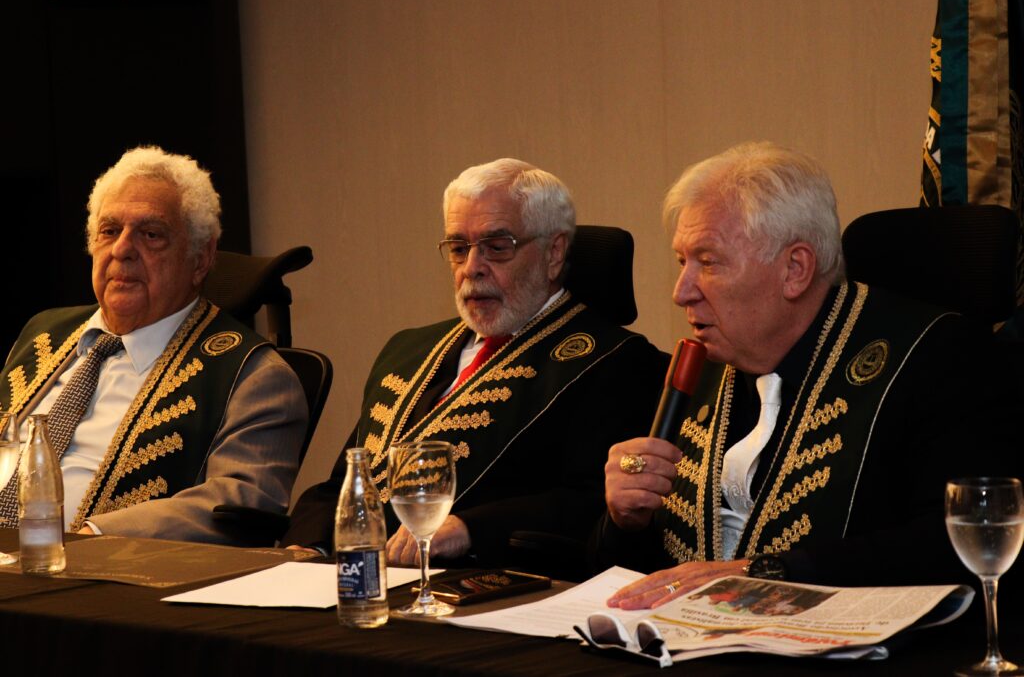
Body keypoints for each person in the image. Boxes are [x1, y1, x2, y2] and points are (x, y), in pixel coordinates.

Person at [595, 142, 1006, 609]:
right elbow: (650, 572)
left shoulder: (935, 357)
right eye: (681, 262)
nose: (681, 291)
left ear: (795, 269)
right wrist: (624, 520)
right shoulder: (704, 365)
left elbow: (956, 543)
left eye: (707, 262)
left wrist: (766, 573)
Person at [283, 158, 666, 574]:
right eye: (458, 248)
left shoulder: (616, 361)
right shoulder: (408, 349)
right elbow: (347, 480)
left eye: (497, 247)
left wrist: (471, 528)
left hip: (488, 581)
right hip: (360, 581)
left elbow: (594, 502)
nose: (471, 268)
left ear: (554, 254)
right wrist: (309, 548)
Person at [0, 146, 307, 543]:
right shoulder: (43, 333)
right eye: (109, 231)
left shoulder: (253, 376)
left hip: (98, 583)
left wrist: (93, 538)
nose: (122, 250)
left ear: (200, 260)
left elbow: (240, 502)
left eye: (151, 235)